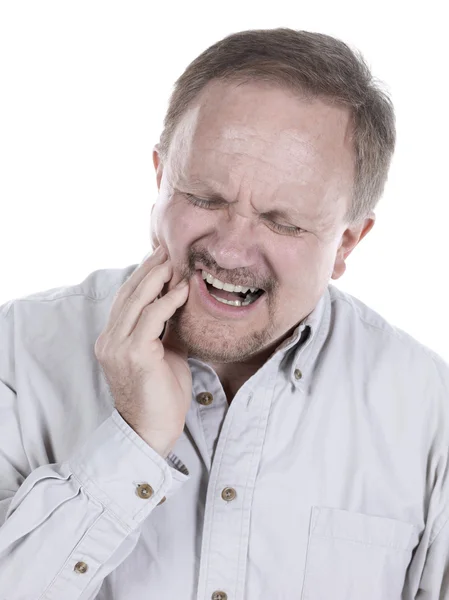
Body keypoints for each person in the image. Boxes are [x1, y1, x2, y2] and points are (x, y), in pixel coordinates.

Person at [0, 26, 448, 600]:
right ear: (161, 178)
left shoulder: (430, 411)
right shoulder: (16, 355)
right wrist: (132, 442)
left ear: (346, 244)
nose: (231, 250)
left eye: (283, 222)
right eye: (205, 198)